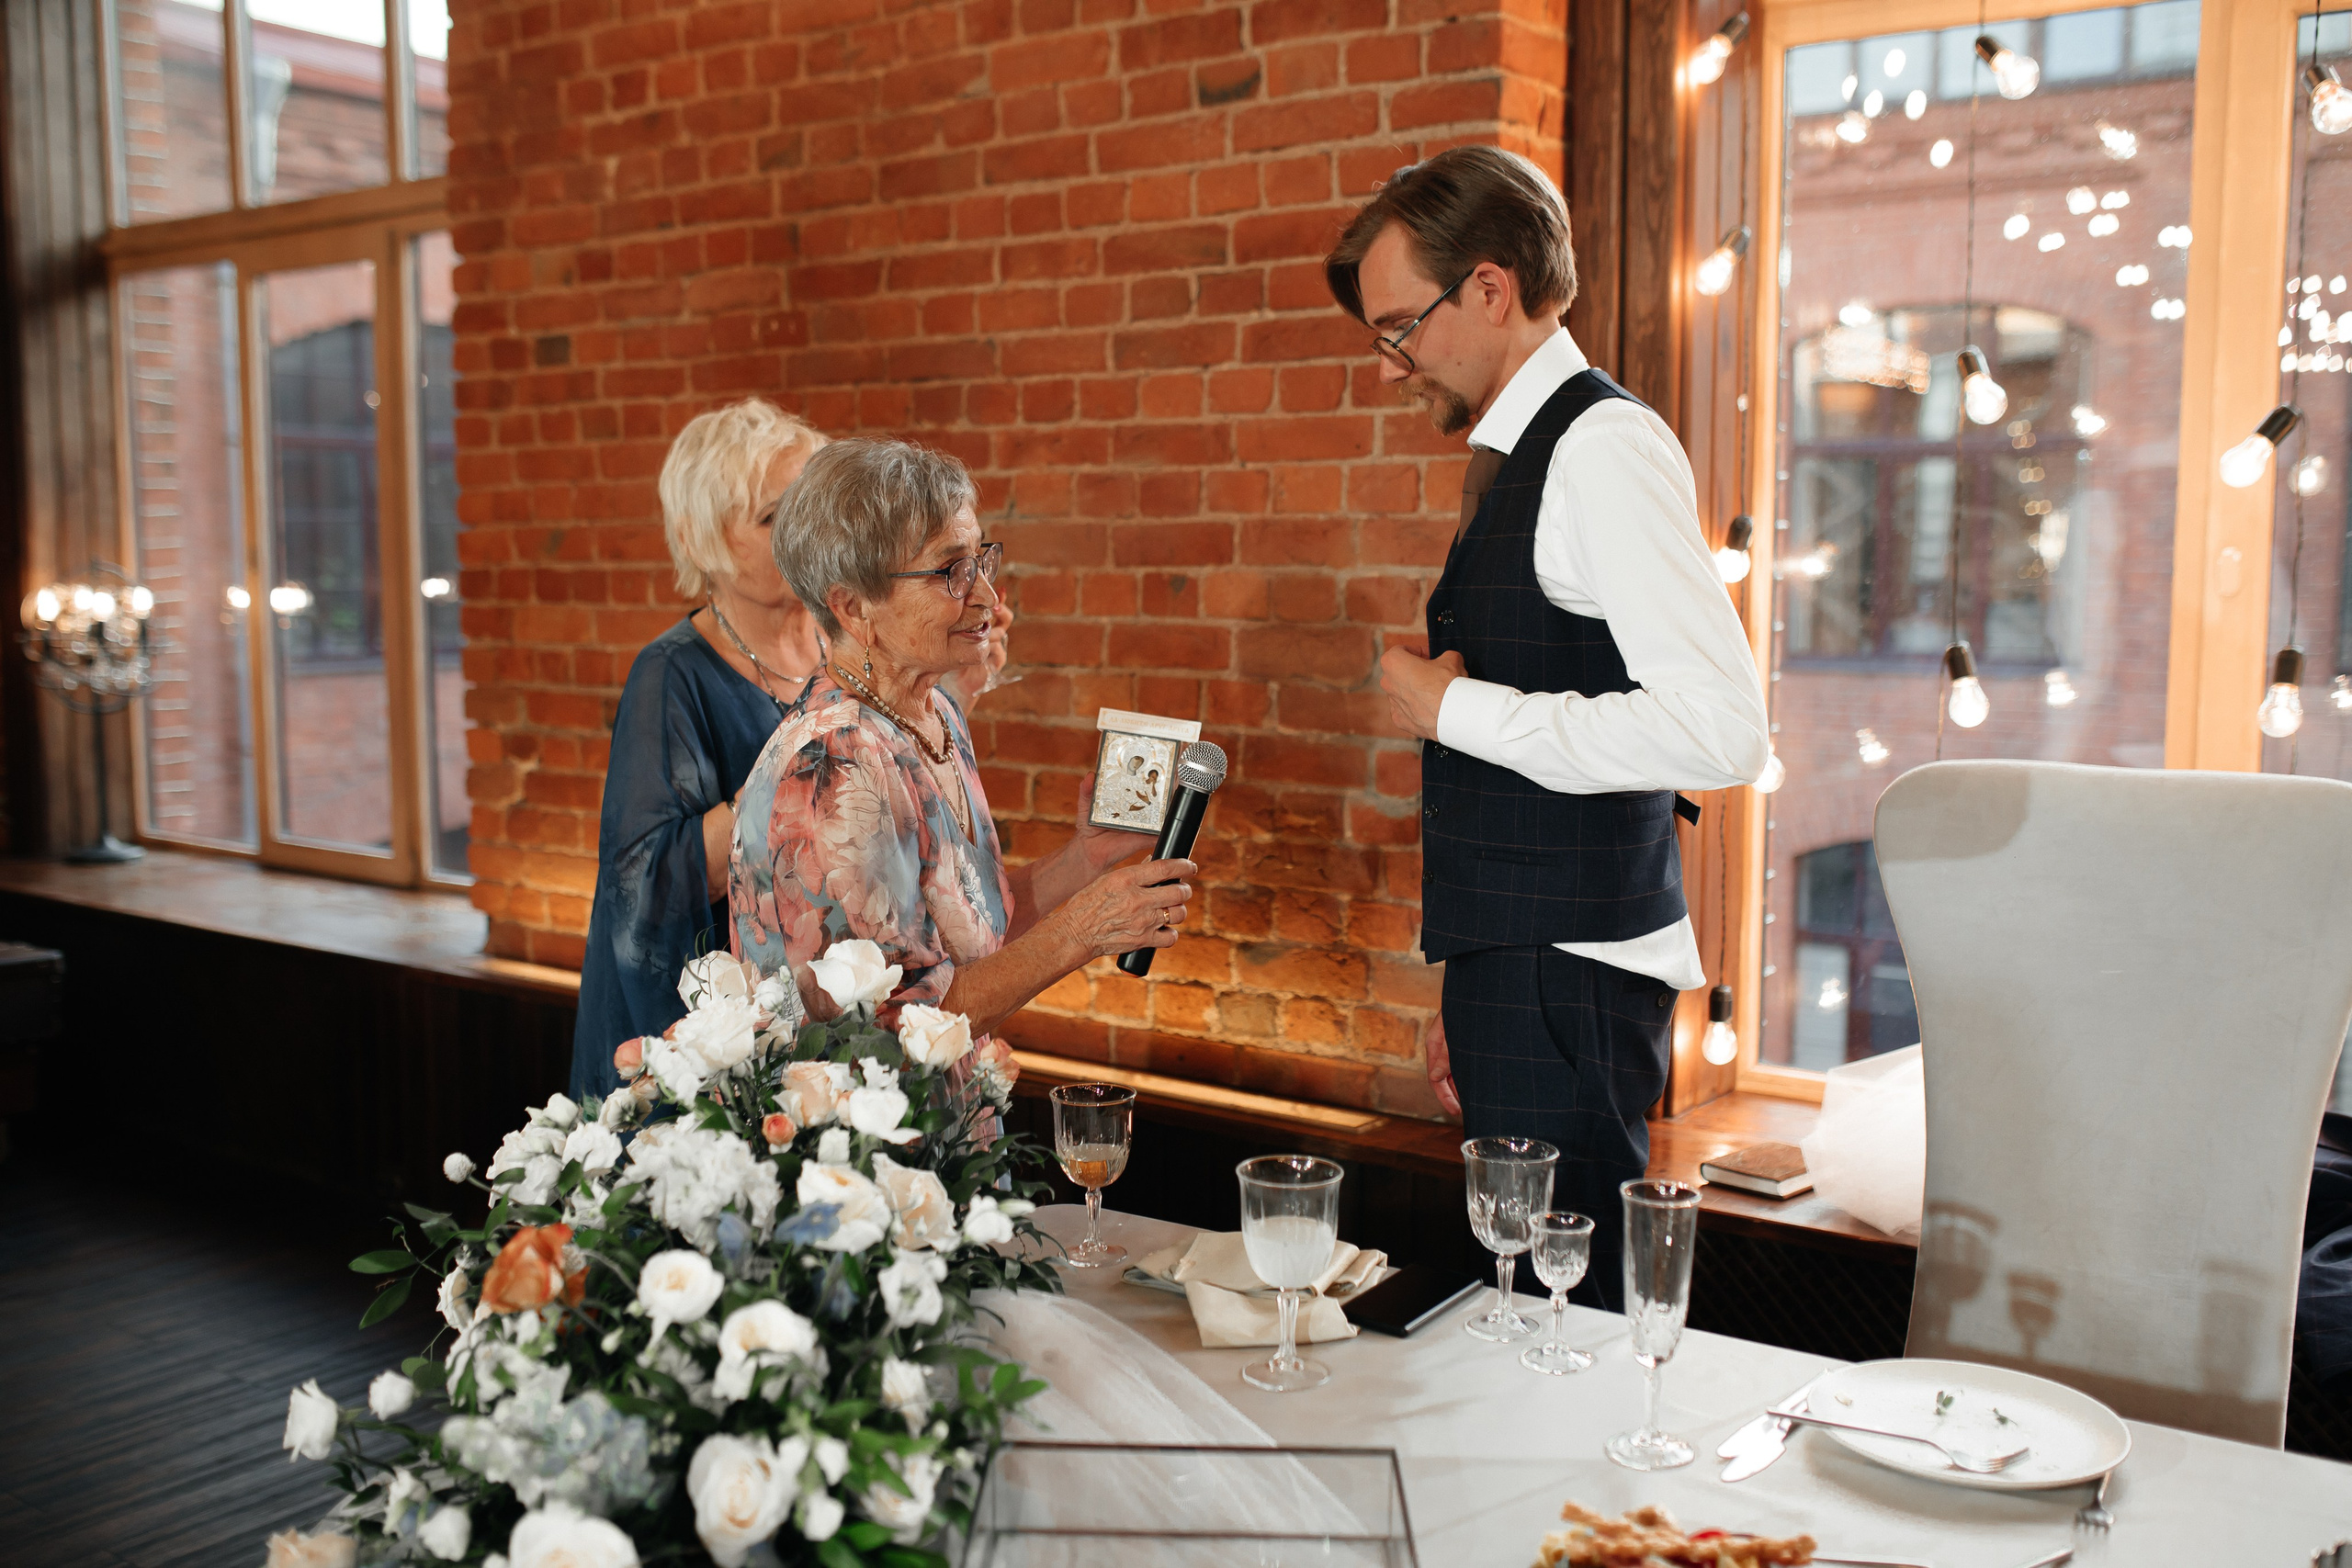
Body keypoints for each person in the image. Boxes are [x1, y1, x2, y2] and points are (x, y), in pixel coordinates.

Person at [1326, 146, 1770, 1308]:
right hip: (1525, 965)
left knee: (1561, 1317)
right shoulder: (1527, 452)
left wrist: (1448, 708)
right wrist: (1473, 977)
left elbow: (1723, 731)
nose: (1390, 365)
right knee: (1526, 1306)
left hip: (1567, 972)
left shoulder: (1600, 449)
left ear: (1487, 288)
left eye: (1397, 328)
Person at [730, 436, 1183, 1056]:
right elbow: (892, 1027)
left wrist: (1085, 860)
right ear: (855, 606)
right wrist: (1082, 932)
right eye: (950, 572)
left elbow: (970, 932)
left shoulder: (933, 709)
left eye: (980, 561)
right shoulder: (832, 764)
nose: (987, 598)